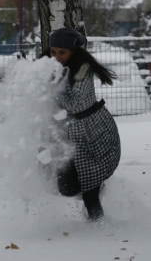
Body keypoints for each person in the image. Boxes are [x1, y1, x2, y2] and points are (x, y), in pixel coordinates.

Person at [41, 27, 121, 221]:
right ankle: (90, 193)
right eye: (53, 51)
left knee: (89, 187)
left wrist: (48, 92)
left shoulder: (83, 68)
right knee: (66, 188)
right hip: (64, 132)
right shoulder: (47, 67)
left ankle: (97, 227)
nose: (57, 56)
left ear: (74, 52)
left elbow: (75, 102)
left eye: (62, 52)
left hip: (90, 132)